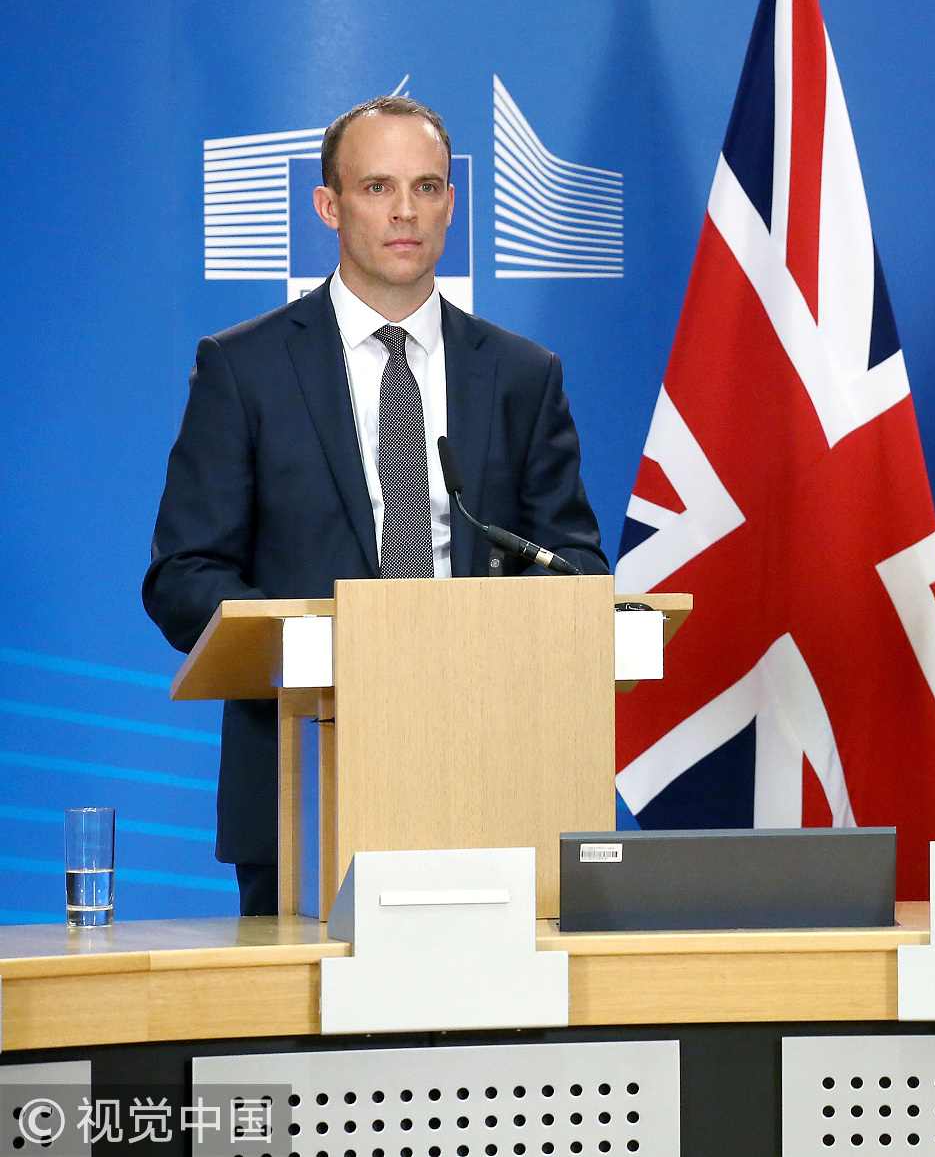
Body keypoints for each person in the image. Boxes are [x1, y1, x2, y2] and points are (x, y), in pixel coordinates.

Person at [143, 94, 609, 915]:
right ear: (329, 206)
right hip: (304, 779)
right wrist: (332, 647)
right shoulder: (244, 369)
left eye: (426, 187)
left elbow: (574, 563)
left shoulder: (521, 375)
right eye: (376, 187)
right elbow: (183, 575)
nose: (405, 211)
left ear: (451, 204)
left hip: (493, 770)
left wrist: (476, 641)